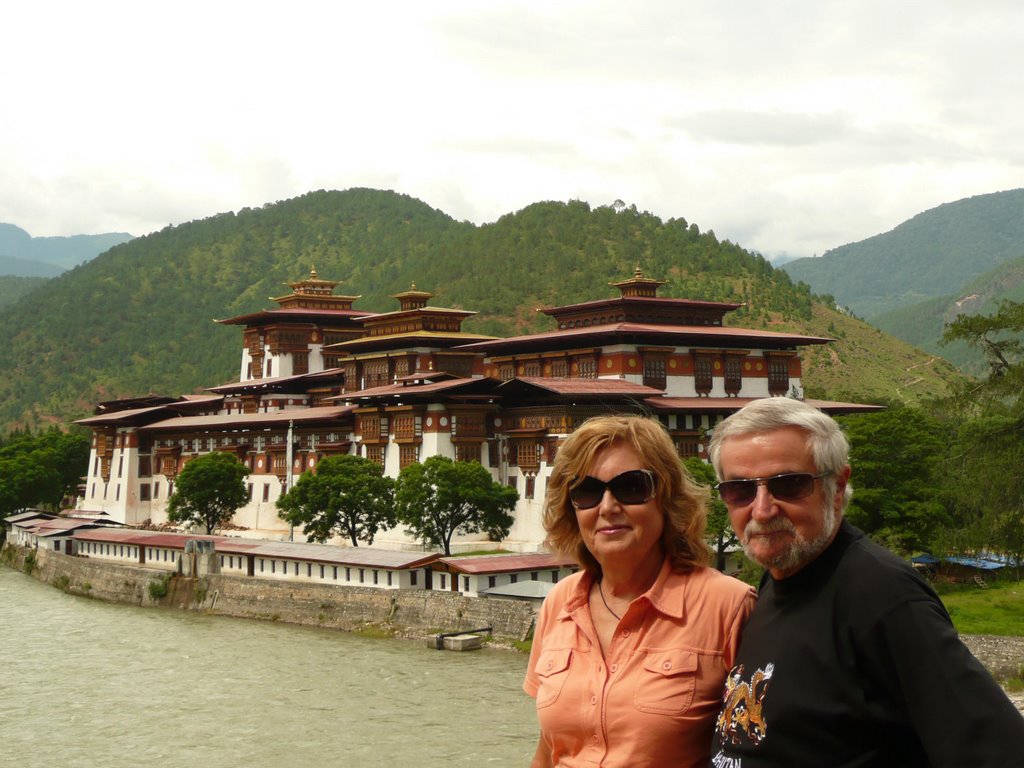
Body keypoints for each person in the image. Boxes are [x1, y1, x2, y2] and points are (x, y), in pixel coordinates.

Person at [707, 397, 1024, 768]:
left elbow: (994, 749)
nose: (761, 509)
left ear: (837, 487)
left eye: (789, 485)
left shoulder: (879, 593)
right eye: (739, 490)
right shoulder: (779, 579)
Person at [523, 415, 756, 768]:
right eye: (587, 492)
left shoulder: (728, 606)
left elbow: (754, 750)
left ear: (666, 498)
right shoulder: (560, 601)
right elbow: (548, 750)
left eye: (631, 487)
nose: (607, 507)